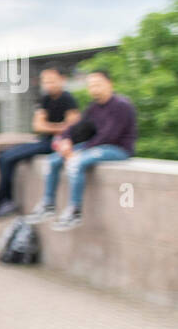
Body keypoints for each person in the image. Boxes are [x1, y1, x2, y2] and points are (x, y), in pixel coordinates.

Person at [26, 69, 137, 231]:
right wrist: (64, 140)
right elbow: (77, 128)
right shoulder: (94, 107)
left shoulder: (122, 106)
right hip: (97, 146)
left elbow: (109, 136)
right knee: (53, 160)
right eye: (91, 85)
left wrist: (80, 151)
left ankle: (74, 211)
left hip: (118, 150)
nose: (94, 89)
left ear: (109, 83)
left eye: (98, 84)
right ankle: (48, 204)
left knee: (76, 162)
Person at [0, 66, 79, 216]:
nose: (48, 84)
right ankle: (3, 199)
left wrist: (49, 127)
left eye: (51, 81)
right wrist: (58, 127)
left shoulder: (68, 99)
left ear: (62, 80)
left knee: (10, 158)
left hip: (56, 144)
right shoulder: (45, 99)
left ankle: (0, 201)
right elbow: (37, 125)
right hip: (44, 140)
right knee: (3, 156)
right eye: (45, 81)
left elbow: (71, 127)